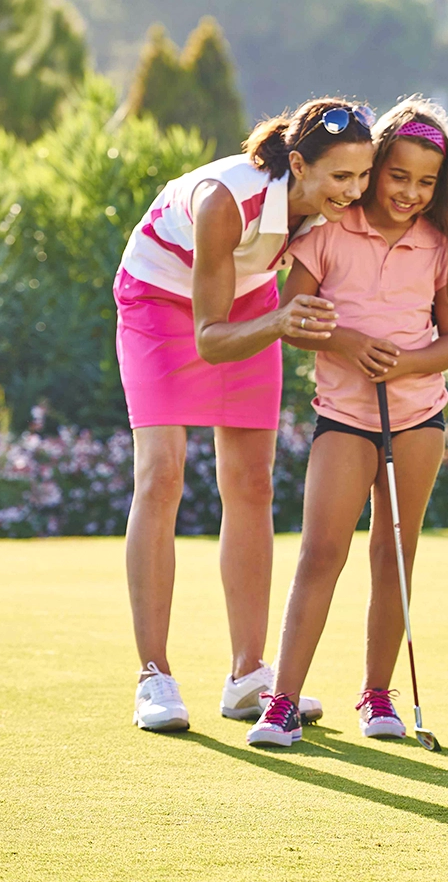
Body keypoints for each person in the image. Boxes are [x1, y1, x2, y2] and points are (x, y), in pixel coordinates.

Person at [118, 97, 376, 732]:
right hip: (159, 301)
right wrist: (282, 323)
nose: (355, 190)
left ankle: (247, 674)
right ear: (298, 164)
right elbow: (209, 337)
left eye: (363, 175)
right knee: (162, 474)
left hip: (252, 303)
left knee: (252, 483)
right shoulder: (222, 202)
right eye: (340, 177)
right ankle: (153, 676)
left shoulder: (331, 211)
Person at [247, 98, 448, 748]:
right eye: (397, 176)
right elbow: (295, 321)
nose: (409, 192)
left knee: (393, 556)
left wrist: (406, 361)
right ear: (374, 169)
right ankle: (282, 702)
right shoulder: (324, 236)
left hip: (418, 418)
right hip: (345, 417)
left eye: (426, 183)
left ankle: (377, 695)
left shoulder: (440, 247)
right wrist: (346, 343)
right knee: (321, 551)